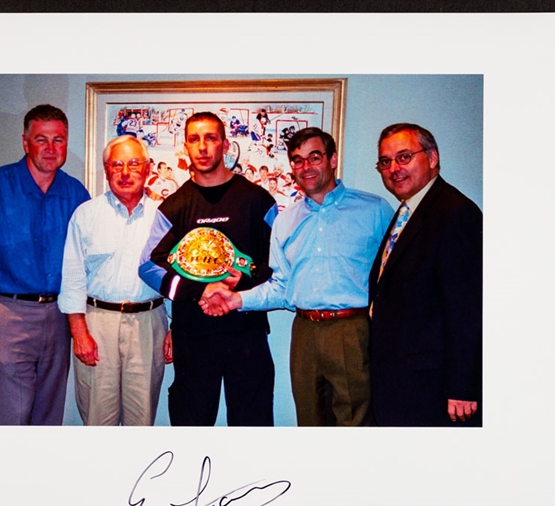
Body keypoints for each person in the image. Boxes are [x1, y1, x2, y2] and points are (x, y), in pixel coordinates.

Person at [200, 127, 394, 426]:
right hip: (303, 333)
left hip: (352, 330)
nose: (306, 167)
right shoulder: (286, 220)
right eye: (297, 160)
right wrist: (235, 299)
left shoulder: (374, 209)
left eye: (314, 157)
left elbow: (394, 278)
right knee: (310, 423)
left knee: (356, 424)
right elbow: (280, 288)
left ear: (332, 159)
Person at [139, 111, 278, 426]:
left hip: (247, 334)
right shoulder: (173, 206)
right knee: (192, 429)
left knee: (253, 429)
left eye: (211, 138)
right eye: (194, 139)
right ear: (185, 147)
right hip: (194, 336)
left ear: (225, 145)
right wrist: (200, 290)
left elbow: (279, 265)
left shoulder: (259, 201)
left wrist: (242, 281)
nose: (202, 147)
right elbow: (148, 266)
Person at [0, 104, 90, 425]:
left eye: (58, 140)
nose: (50, 149)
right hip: (9, 315)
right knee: (11, 415)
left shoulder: (75, 192)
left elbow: (89, 254)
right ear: (25, 142)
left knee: (49, 414)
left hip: (59, 315)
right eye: (41, 139)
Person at [369, 123, 482, 426]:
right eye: (385, 161)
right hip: (403, 380)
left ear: (432, 158)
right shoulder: (409, 210)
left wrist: (464, 386)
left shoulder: (455, 213)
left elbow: (468, 309)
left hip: (435, 389)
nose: (394, 168)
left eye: (404, 157)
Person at [58, 136, 170, 426]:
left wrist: (177, 327)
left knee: (141, 418)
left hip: (149, 323)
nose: (125, 172)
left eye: (134, 164)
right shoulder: (86, 214)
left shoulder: (164, 217)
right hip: (98, 324)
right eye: (116, 165)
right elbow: (72, 278)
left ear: (147, 170)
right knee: (98, 419)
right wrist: (78, 332)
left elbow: (177, 278)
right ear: (106, 170)